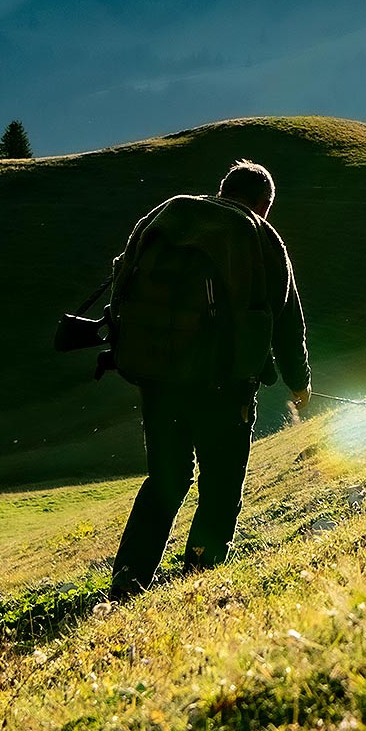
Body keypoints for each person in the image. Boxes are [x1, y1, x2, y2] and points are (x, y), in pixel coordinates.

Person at [106, 159, 311, 598]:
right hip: (224, 384)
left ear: (222, 189)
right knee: (220, 483)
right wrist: (299, 383)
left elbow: (122, 281)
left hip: (158, 377)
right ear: (263, 204)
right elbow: (287, 321)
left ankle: (128, 577)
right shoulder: (260, 235)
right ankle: (199, 574)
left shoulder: (168, 214)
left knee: (166, 477)